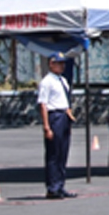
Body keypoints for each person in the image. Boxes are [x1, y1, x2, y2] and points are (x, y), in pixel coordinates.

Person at [38, 52, 77, 199]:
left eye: (63, 63)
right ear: (51, 64)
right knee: (53, 153)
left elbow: (65, 100)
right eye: (59, 63)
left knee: (63, 152)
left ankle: (60, 185)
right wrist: (46, 127)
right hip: (54, 116)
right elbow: (43, 104)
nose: (62, 66)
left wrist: (69, 113)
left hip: (64, 116)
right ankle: (52, 187)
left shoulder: (63, 81)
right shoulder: (47, 82)